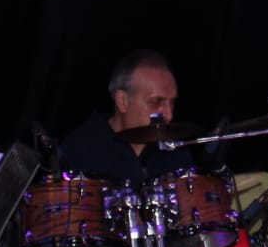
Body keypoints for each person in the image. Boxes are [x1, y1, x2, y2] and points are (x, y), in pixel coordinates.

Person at [56, 49, 186, 193]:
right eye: (156, 102)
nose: (169, 115)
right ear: (122, 101)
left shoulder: (175, 152)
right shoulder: (80, 150)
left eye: (172, 103)